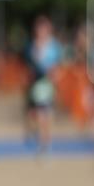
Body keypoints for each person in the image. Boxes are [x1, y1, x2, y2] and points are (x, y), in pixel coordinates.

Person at [25, 15, 63, 154]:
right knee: (38, 114)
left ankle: (45, 142)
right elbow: (31, 63)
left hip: (50, 83)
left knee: (47, 114)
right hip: (37, 83)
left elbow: (59, 63)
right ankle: (42, 139)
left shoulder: (54, 45)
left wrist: (55, 74)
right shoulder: (33, 45)